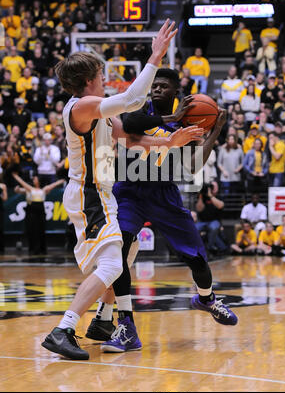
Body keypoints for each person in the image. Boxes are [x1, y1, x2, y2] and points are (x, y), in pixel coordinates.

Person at [41, 19, 203, 360]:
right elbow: (132, 99)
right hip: (88, 193)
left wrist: (170, 141)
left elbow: (127, 138)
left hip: (100, 193)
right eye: (101, 75)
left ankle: (99, 320)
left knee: (124, 257)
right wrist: (155, 56)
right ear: (88, 81)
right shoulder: (81, 106)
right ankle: (63, 329)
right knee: (114, 264)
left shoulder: (96, 110)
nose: (105, 79)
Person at [86, 68, 238, 354]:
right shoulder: (141, 108)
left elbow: (192, 167)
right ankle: (126, 325)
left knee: (197, 258)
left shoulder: (189, 122)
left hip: (163, 192)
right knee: (118, 254)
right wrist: (172, 118)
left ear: (175, 92)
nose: (156, 89)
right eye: (154, 85)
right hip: (129, 189)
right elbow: (129, 123)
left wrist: (215, 130)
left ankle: (206, 298)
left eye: (163, 86)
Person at [13, 172, 65, 255]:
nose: (34, 180)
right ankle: (33, 249)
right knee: (32, 230)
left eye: (35, 179)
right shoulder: (29, 189)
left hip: (41, 211)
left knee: (41, 230)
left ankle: (42, 249)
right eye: (33, 179)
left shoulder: (43, 190)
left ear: (39, 181)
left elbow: (53, 185)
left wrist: (62, 180)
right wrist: (16, 179)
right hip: (31, 211)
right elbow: (20, 187)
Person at [194, 181, 227, 254]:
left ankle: (210, 247)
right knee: (194, 228)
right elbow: (199, 209)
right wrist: (200, 196)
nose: (212, 188)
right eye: (211, 187)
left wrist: (210, 195)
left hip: (214, 221)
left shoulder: (219, 196)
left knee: (213, 227)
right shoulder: (202, 197)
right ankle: (196, 248)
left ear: (217, 188)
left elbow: (220, 206)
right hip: (202, 221)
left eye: (213, 186)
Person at [0, 179, 8, 254]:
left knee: (0, 228)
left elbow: (5, 198)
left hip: (0, 209)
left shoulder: (2, 186)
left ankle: (1, 248)